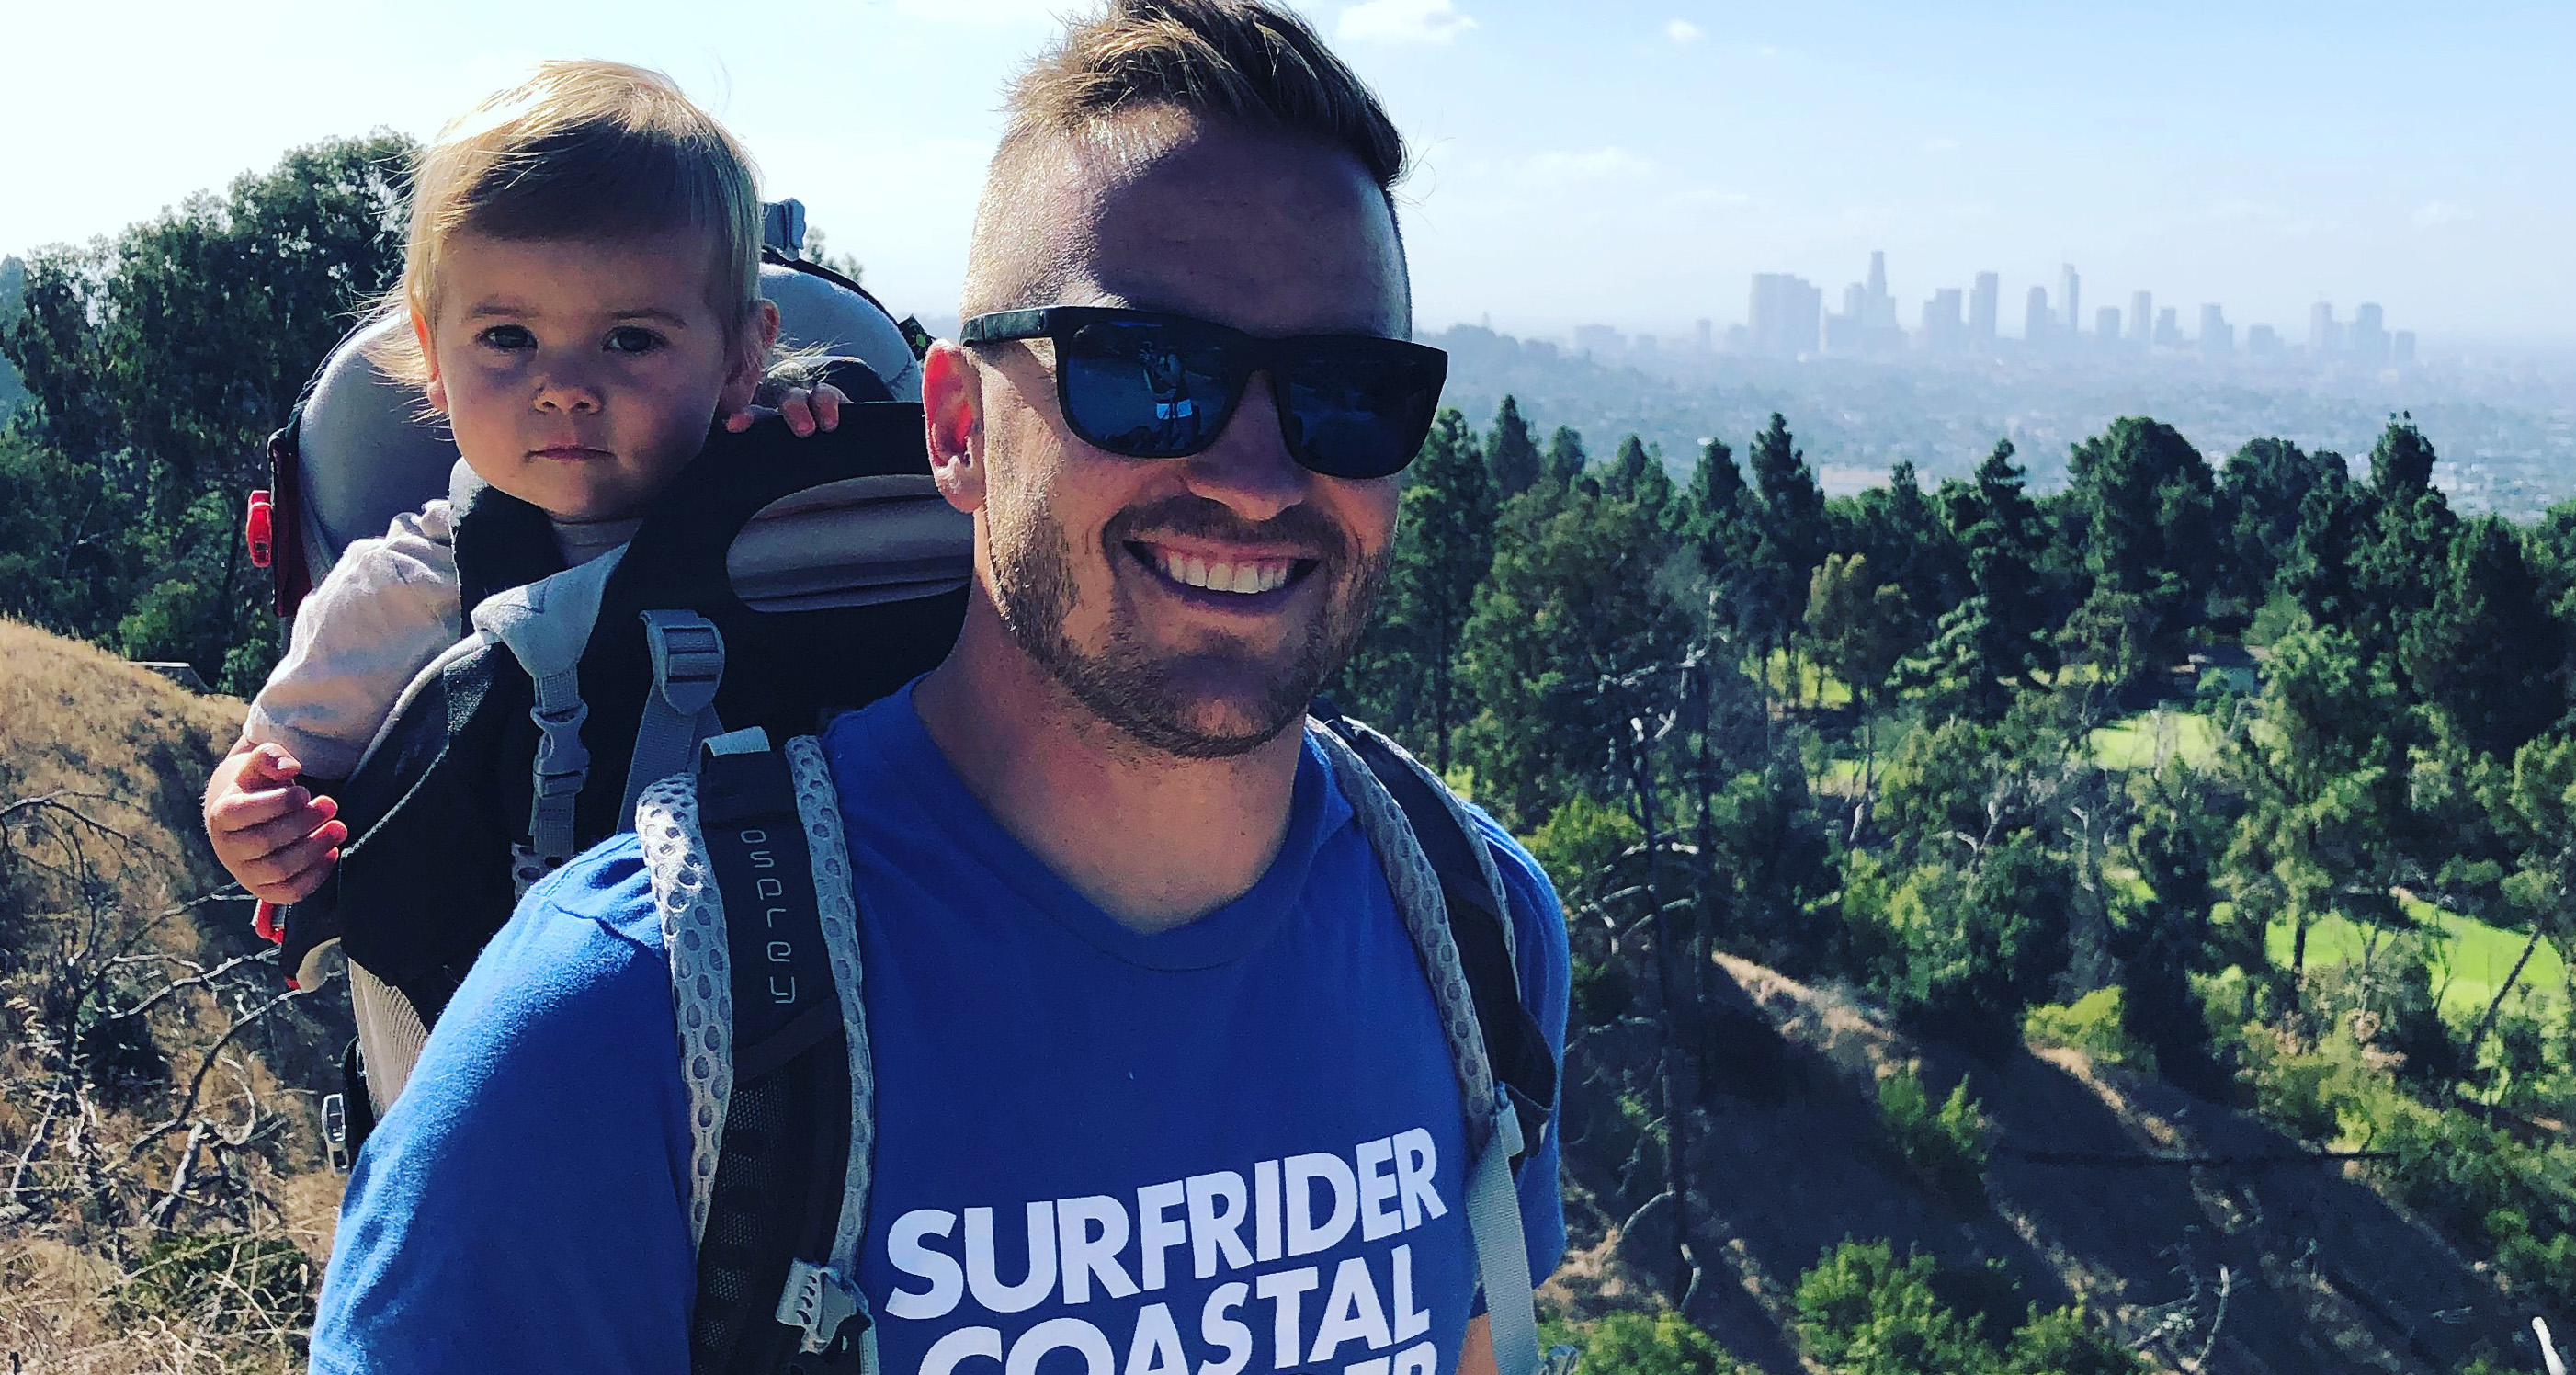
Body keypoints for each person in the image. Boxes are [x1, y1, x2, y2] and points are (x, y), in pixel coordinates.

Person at [309, 4, 1569, 1373]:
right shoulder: (618, 1025)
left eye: (1348, 394)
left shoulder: (1475, 931)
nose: (1258, 477)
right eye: (1147, 375)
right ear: (960, 429)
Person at [202, 59, 845, 906]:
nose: (564, 387)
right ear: (434, 358)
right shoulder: (401, 593)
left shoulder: (804, 518)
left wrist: (827, 454)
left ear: (740, 358)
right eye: (508, 336)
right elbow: (270, 766)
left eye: (630, 340)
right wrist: (248, 819)